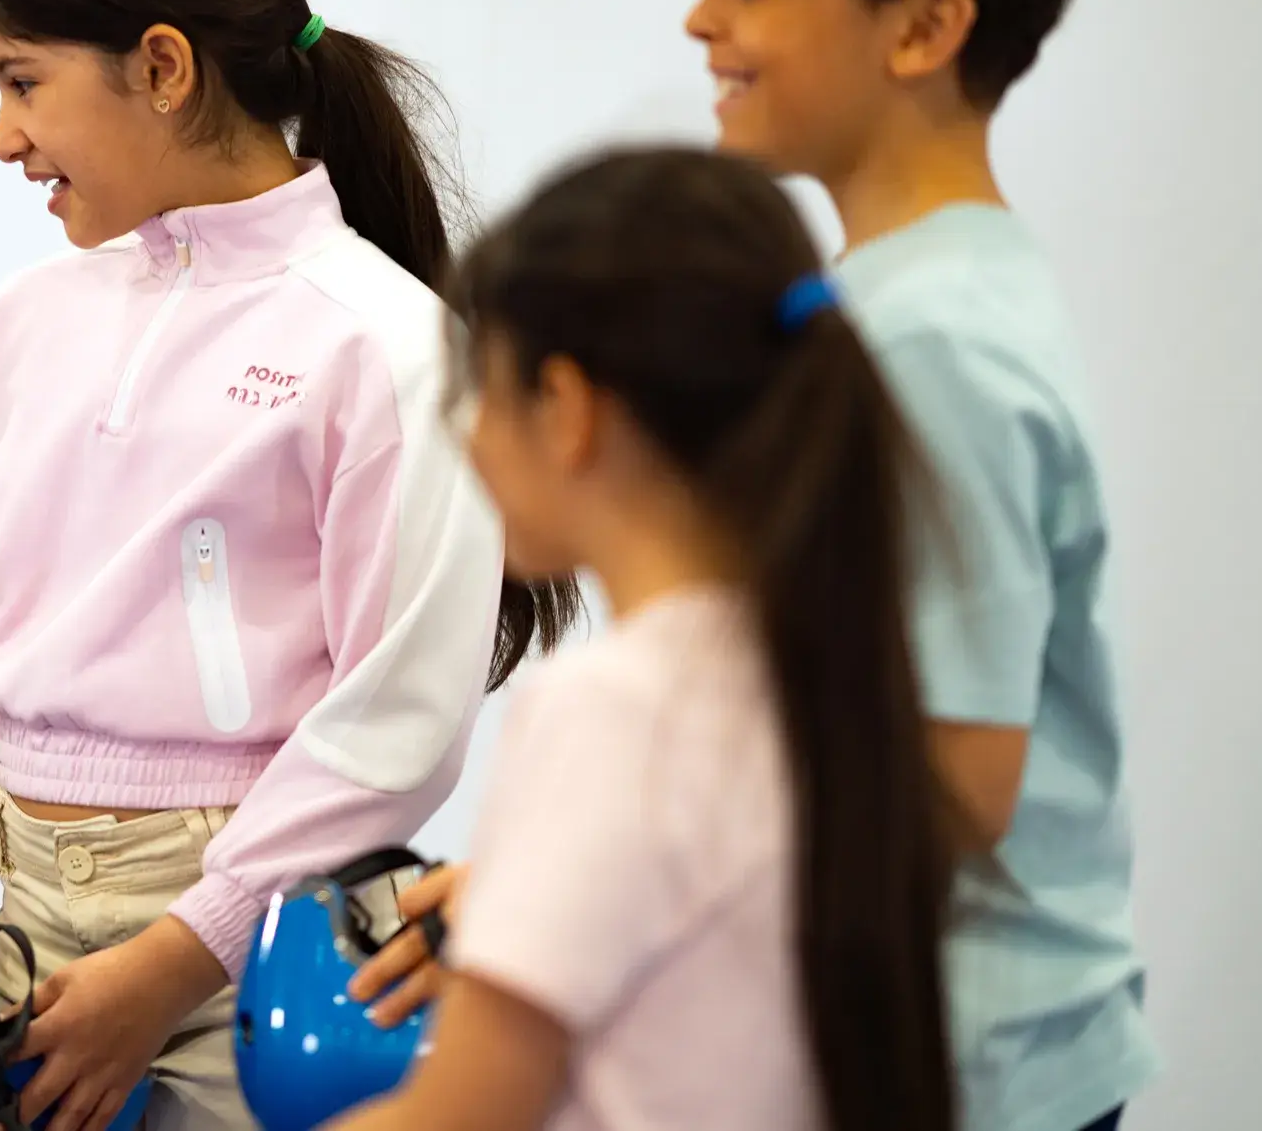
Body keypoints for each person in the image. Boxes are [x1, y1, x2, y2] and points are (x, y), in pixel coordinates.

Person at [0, 0, 577, 1131]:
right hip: (11, 935)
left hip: (253, 954)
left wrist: (170, 962)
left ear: (162, 65)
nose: (3, 137)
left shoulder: (386, 343)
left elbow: (396, 721)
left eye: (21, 79)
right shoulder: (22, 322)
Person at [650, 0, 1153, 1131]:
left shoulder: (931, 342)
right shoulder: (913, 293)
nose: (704, 19)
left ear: (926, 25)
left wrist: (627, 888)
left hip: (952, 1065)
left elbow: (955, 781)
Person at [333, 145, 957, 1131]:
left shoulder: (611, 707)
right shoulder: (813, 669)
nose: (468, 437)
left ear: (568, 409)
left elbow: (460, 1114)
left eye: (480, 393)